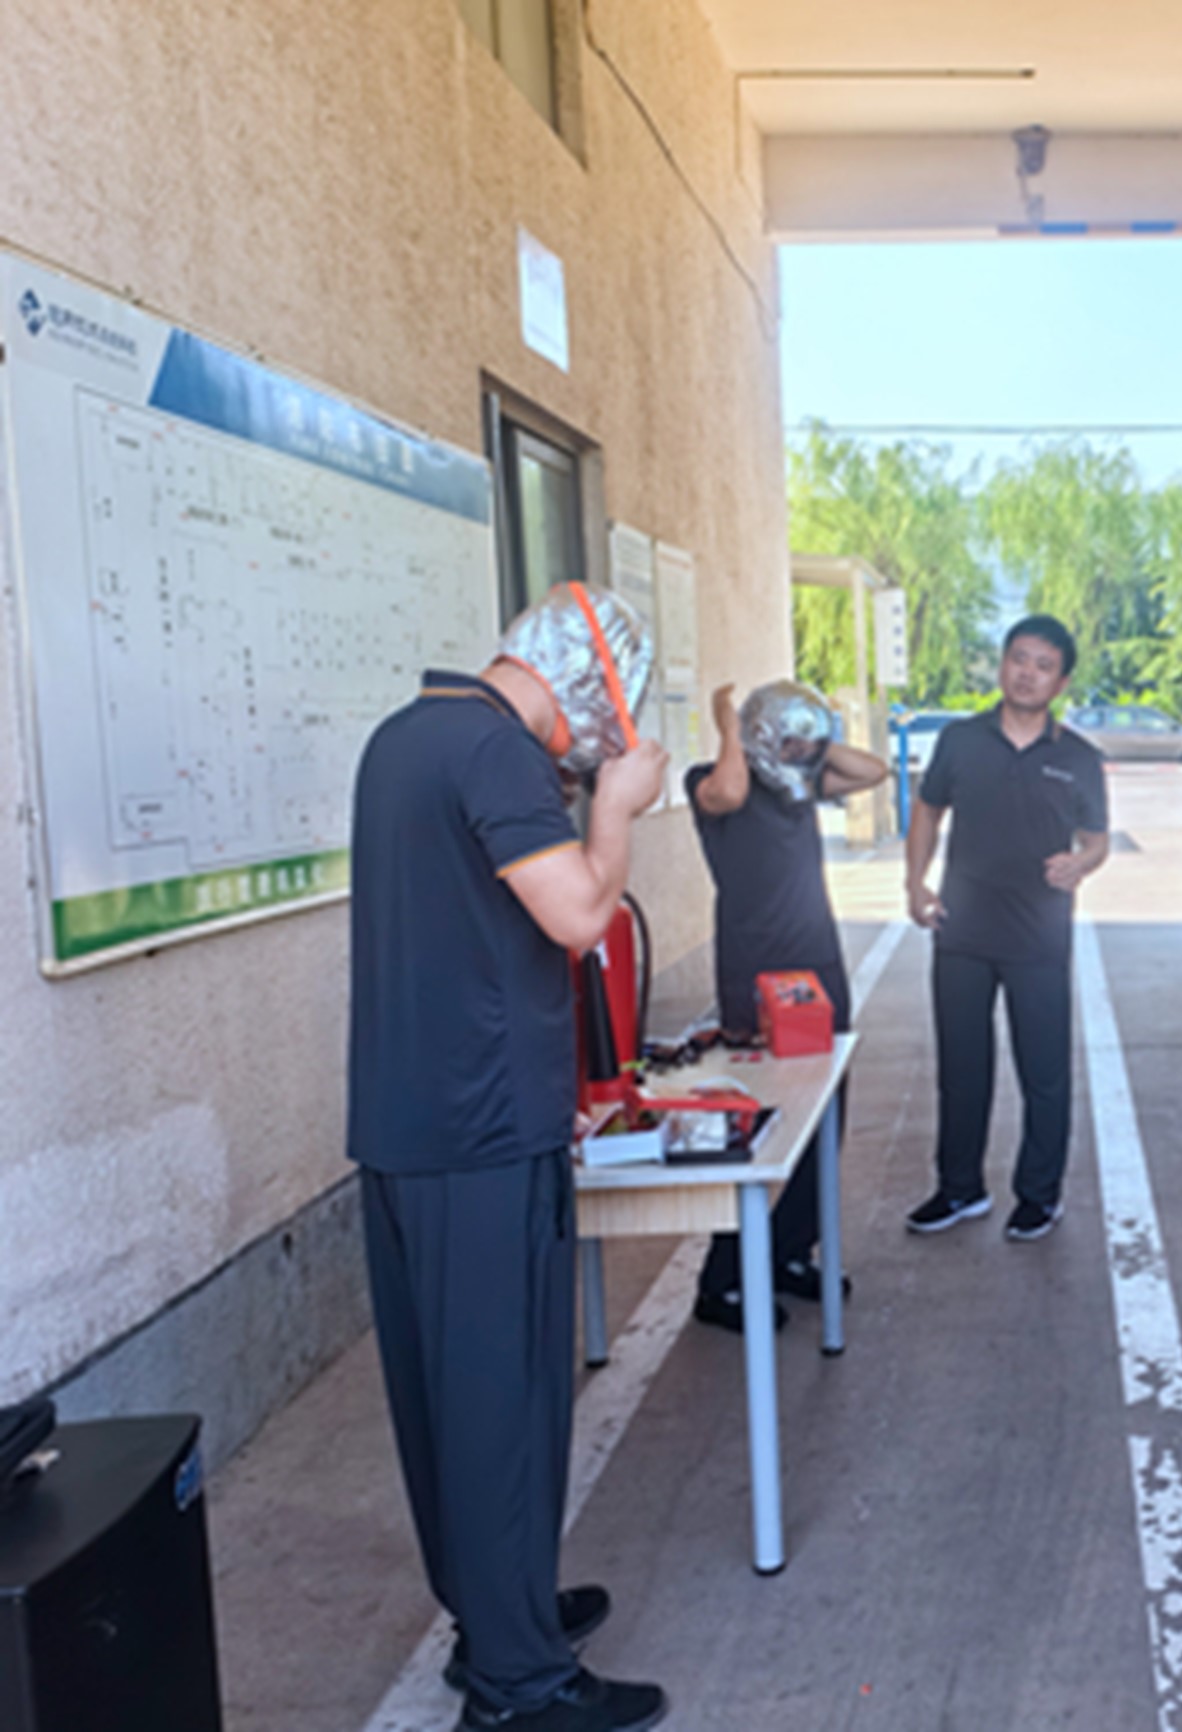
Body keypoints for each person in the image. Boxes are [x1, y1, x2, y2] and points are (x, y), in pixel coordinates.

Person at [348, 583, 669, 1732]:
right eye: (609, 716)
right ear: (579, 684)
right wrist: (619, 807)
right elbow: (581, 915)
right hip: (479, 1133)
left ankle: (500, 1613)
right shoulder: (494, 755)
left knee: (450, 1402)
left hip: (414, 1124)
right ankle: (521, 1686)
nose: (606, 742)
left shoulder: (404, 737)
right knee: (502, 1402)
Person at [687, 680, 889, 1333]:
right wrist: (729, 725)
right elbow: (730, 791)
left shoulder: (798, 786)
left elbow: (874, 770)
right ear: (756, 733)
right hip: (755, 976)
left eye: (807, 737)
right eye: (787, 734)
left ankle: (787, 1252)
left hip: (818, 971)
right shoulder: (716, 783)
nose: (801, 749)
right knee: (757, 1126)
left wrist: (815, 739)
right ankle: (721, 1282)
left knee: (824, 1119)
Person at [904, 616, 1111, 1241]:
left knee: (1043, 1070)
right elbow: (927, 811)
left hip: (1039, 934)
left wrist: (1083, 863)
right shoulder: (961, 741)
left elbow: (1097, 840)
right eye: (1019, 659)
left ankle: (1039, 1195)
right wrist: (915, 884)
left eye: (1043, 665)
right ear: (1002, 665)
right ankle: (959, 1188)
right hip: (961, 926)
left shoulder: (1078, 757)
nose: (1028, 672)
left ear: (1062, 680)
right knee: (961, 1067)